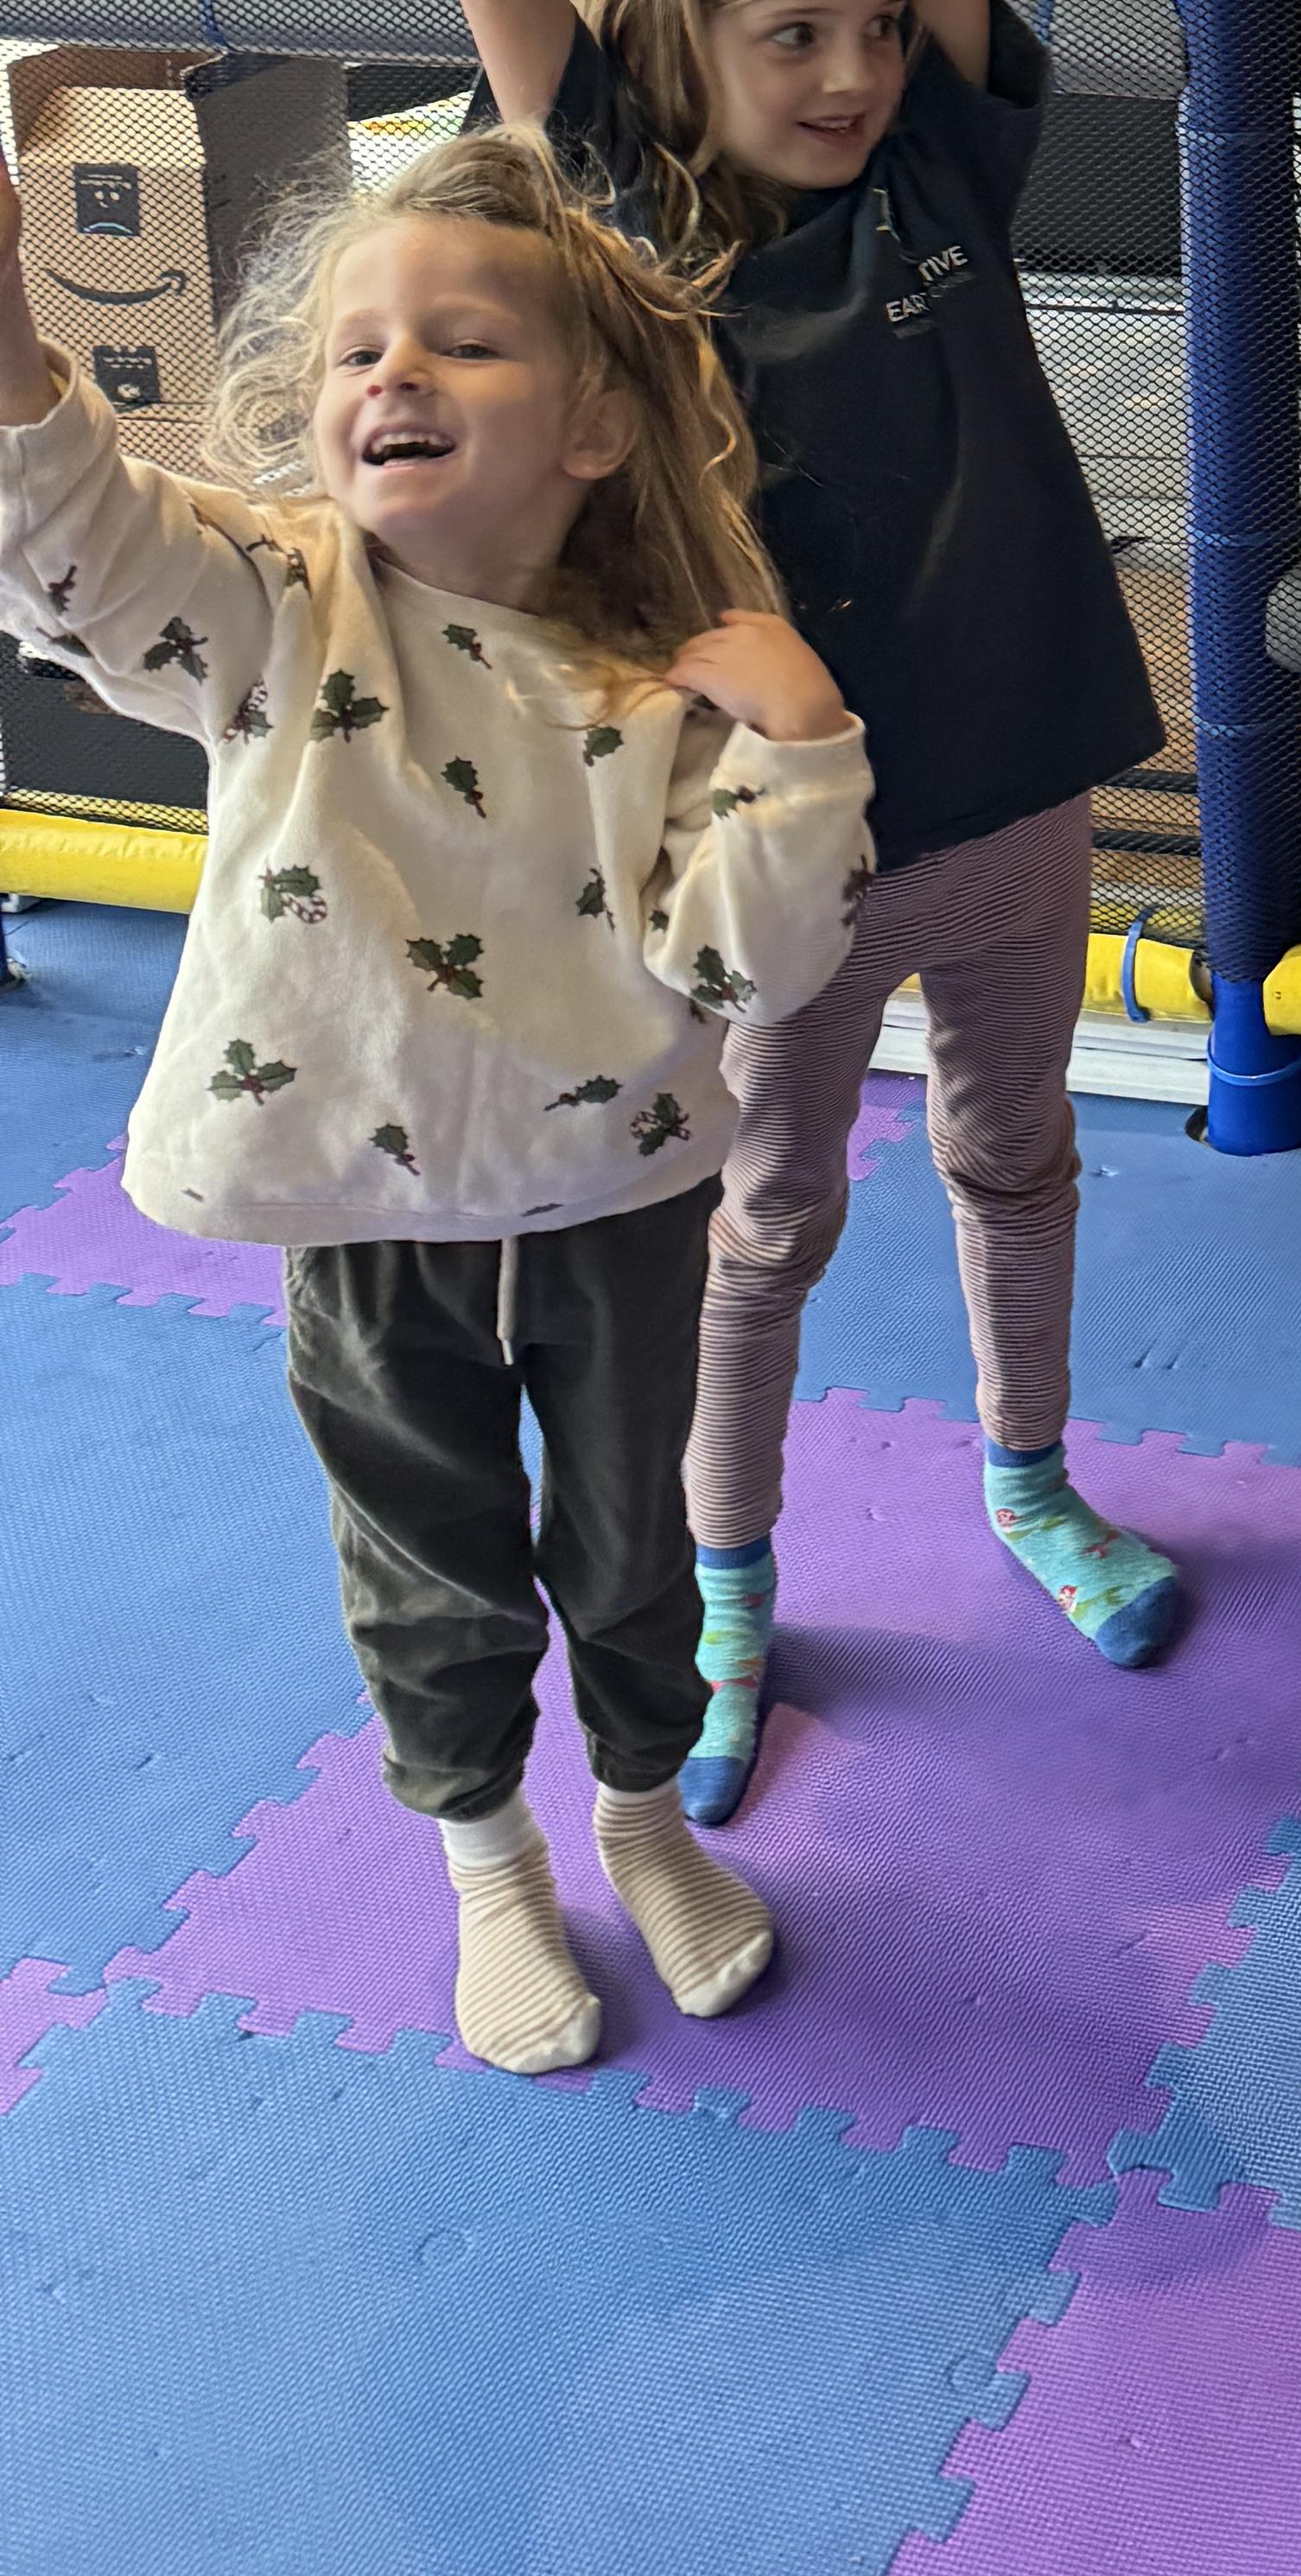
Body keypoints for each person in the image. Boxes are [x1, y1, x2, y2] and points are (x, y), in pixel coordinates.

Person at [370, 0, 1174, 1826]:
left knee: (1019, 1157)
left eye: (868, 33)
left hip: (1013, 791)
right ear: (672, 50)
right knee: (767, 1217)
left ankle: (1032, 1476)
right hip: (775, 845)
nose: (847, 70)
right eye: (790, 38)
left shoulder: (933, 170)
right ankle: (727, 1581)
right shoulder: (618, 215)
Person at [0, 131, 871, 2077]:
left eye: (462, 343)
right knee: (429, 1570)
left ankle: (640, 1823)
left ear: (592, 428)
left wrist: (804, 744)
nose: (392, 371)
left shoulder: (662, 680)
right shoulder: (275, 607)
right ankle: (490, 1862)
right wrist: (9, 328)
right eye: (356, 349)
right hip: (370, 1217)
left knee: (635, 1553)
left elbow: (754, 968)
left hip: (615, 1197)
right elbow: (76, 555)